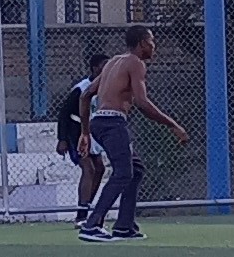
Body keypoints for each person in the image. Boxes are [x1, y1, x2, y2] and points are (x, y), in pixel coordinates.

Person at [79, 23, 186, 241]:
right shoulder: (136, 63)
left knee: (135, 169)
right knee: (123, 173)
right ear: (143, 43)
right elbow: (142, 102)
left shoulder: (112, 62)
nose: (154, 46)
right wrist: (173, 124)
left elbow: (86, 95)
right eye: (152, 41)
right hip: (113, 122)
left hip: (99, 122)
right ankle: (92, 225)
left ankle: (124, 226)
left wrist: (86, 133)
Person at [57, 61, 102, 222]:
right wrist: (62, 139)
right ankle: (81, 214)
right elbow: (64, 113)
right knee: (88, 168)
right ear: (95, 68)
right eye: (104, 65)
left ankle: (87, 207)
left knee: (100, 168)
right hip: (76, 133)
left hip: (93, 132)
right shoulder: (81, 88)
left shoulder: (106, 87)